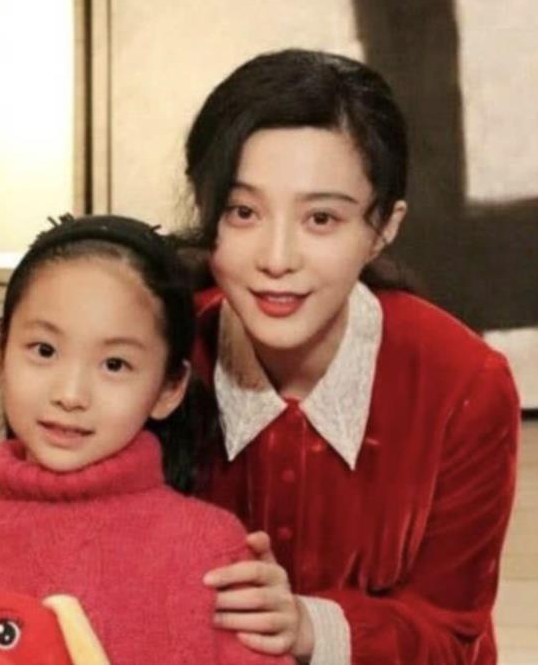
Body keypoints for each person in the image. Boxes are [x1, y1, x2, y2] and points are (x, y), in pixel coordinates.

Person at [181, 49, 520, 664]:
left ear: (383, 228)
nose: (276, 258)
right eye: (243, 212)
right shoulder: (159, 356)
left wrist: (311, 627)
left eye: (321, 218)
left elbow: (452, 635)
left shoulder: (465, 384)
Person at [0, 215, 292, 665]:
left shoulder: (213, 553)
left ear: (169, 388)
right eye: (44, 350)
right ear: (2, 355)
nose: (70, 394)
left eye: (115, 364)